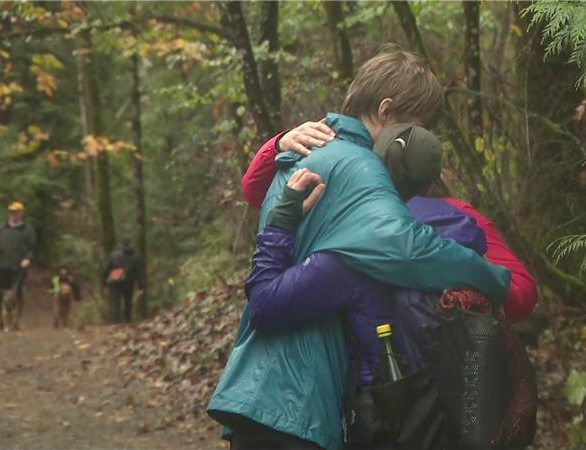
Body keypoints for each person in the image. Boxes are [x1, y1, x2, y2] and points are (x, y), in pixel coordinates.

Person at [208, 48, 510, 450]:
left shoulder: (297, 153)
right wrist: (492, 278)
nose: (417, 139)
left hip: (255, 384)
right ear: (386, 111)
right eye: (416, 127)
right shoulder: (360, 167)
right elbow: (409, 248)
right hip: (298, 399)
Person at [242, 122, 539, 448]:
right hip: (462, 413)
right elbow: (520, 293)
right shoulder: (465, 232)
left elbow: (264, 306)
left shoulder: (351, 250)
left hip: (386, 419)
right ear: (431, 182)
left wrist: (281, 223)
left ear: (371, 168)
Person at [0, 201, 36, 331]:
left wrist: (27, 259)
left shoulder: (27, 229)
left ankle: (16, 321)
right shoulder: (2, 227)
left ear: (21, 213)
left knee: (17, 293)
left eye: (16, 212)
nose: (13, 214)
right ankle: (2, 320)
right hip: (2, 265)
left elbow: (31, 248)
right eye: (11, 212)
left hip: (18, 267)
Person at [102, 239, 143, 323]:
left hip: (115, 280)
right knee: (128, 302)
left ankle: (116, 322)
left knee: (116, 302)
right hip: (129, 282)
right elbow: (139, 272)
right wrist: (140, 285)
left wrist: (104, 280)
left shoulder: (114, 255)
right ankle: (128, 320)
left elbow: (108, 268)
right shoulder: (135, 256)